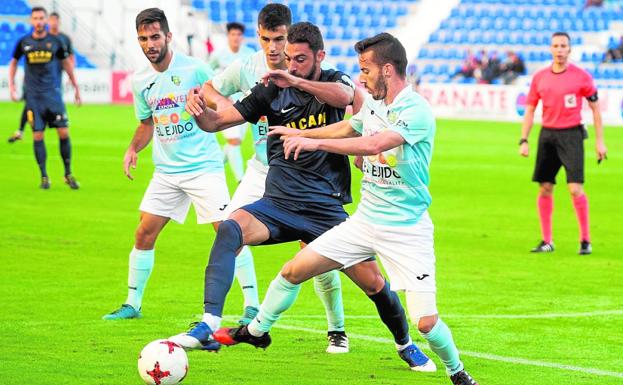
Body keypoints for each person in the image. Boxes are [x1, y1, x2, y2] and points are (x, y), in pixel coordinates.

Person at [213, 32, 478, 385]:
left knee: (426, 323)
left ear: (386, 69)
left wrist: (314, 143)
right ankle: (257, 331)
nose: (361, 77)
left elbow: (373, 144)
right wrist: (304, 136)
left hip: (406, 228)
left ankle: (457, 372)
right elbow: (348, 125)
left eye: (365, 69)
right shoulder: (373, 104)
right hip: (366, 221)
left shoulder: (416, 110)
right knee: (294, 270)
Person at [170, 23, 435, 371]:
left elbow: (344, 99)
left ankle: (405, 344)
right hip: (278, 202)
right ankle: (211, 320)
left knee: (374, 284)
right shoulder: (269, 90)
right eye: (288, 59)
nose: (291, 65)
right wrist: (199, 111)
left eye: (300, 59)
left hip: (326, 206)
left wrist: (296, 83)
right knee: (230, 228)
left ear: (319, 57)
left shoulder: (336, 80)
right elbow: (218, 122)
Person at [201, 4, 352, 353]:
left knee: (316, 253)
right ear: (258, 36)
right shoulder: (247, 66)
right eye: (266, 39)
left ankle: (336, 327)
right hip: (261, 169)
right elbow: (210, 89)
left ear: (290, 39)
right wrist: (238, 109)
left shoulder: (310, 72)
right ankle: (239, 310)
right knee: (229, 232)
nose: (272, 48)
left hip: (305, 173)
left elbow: (347, 105)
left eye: (279, 40)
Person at [101, 8, 228, 328]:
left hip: (203, 167)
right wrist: (133, 148)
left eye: (155, 36)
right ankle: (132, 303)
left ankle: (252, 305)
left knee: (229, 233)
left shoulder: (196, 70)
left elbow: (221, 106)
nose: (149, 43)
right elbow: (147, 123)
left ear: (169, 36)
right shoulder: (141, 79)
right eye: (143, 38)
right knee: (144, 231)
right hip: (167, 172)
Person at [519, 32, 607, 255]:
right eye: (556, 46)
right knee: (545, 187)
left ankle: (585, 240)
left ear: (569, 49)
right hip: (547, 135)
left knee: (575, 189)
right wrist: (524, 139)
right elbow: (530, 109)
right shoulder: (540, 77)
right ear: (550, 49)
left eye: (563, 46)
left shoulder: (581, 77)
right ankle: (547, 241)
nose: (559, 49)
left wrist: (600, 142)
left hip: (572, 136)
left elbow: (596, 109)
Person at [8, 6, 81, 189]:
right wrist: (11, 85)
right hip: (34, 98)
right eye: (35, 18)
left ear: (46, 20)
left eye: (42, 18)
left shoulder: (56, 41)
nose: (39, 21)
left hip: (53, 96)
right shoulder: (23, 42)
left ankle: (67, 173)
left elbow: (66, 64)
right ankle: (44, 176)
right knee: (37, 135)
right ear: (31, 21)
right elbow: (14, 62)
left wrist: (76, 88)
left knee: (64, 132)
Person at [9, 12, 76, 145]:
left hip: (54, 80)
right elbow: (15, 61)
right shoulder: (30, 41)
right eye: (51, 20)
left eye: (55, 21)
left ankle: (22, 130)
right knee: (30, 103)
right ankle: (21, 130)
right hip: (33, 81)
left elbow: (69, 59)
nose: (53, 23)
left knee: (40, 106)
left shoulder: (62, 39)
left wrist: (71, 75)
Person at [208, 22, 255, 184]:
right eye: (233, 34)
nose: (236, 37)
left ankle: (211, 169)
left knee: (235, 143)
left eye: (239, 35)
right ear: (228, 36)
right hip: (225, 106)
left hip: (245, 104)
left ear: (242, 37)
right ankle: (241, 179)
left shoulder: (249, 54)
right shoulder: (218, 55)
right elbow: (207, 74)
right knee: (234, 141)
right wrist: (218, 96)